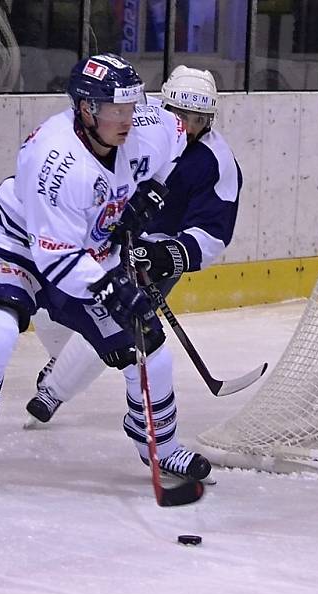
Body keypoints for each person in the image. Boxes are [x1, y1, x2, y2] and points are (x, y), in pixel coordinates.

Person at [0, 53, 211, 490]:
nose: (129, 118)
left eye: (132, 106)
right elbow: (56, 257)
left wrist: (149, 192)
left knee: (149, 350)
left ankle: (159, 447)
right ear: (86, 109)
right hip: (21, 246)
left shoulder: (149, 128)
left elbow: (177, 139)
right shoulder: (53, 160)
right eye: (117, 110)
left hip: (88, 248)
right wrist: (112, 290)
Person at [25, 65, 240, 427]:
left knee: (117, 322)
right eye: (180, 115)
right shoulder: (132, 128)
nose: (187, 127)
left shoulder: (215, 162)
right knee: (48, 305)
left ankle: (53, 391)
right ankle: (66, 357)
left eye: (198, 120)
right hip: (101, 237)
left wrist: (162, 255)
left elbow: (212, 232)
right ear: (162, 107)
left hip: (150, 254)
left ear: (211, 120)